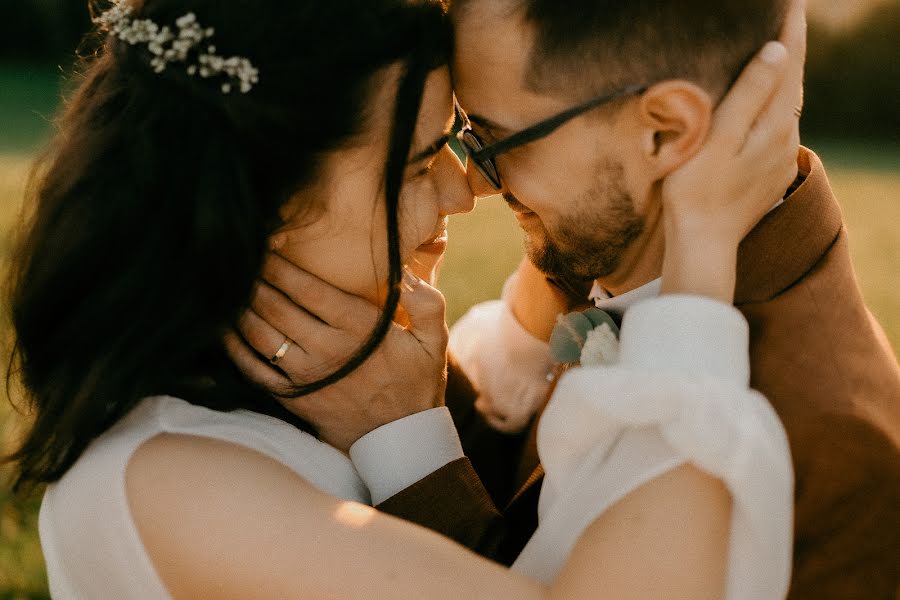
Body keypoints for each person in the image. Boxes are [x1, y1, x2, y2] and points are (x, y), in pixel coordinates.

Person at [6, 1, 801, 599]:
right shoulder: (171, 483)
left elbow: (508, 396)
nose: (467, 189)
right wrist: (700, 243)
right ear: (272, 207)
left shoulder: (316, 391)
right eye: (422, 165)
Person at [244, 0, 899, 597]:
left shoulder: (837, 461)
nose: (476, 185)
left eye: (492, 139)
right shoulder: (617, 253)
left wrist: (402, 442)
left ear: (665, 133)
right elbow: (535, 480)